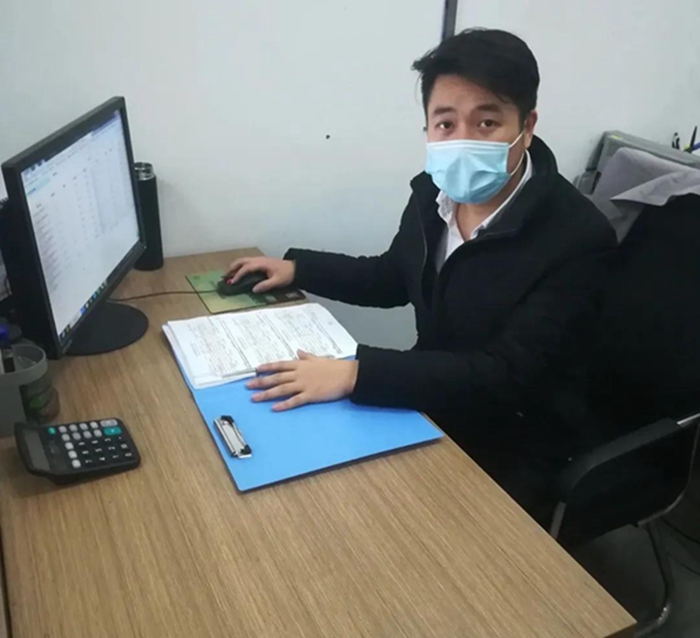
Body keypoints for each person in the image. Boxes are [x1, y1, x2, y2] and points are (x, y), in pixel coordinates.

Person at [226, 28, 617, 525]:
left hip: (514, 439)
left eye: (487, 122)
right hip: (432, 400)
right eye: (446, 123)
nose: (463, 140)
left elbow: (506, 375)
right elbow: (394, 276)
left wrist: (355, 373)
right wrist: (299, 268)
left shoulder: (578, 237)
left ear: (527, 125)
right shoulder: (435, 195)